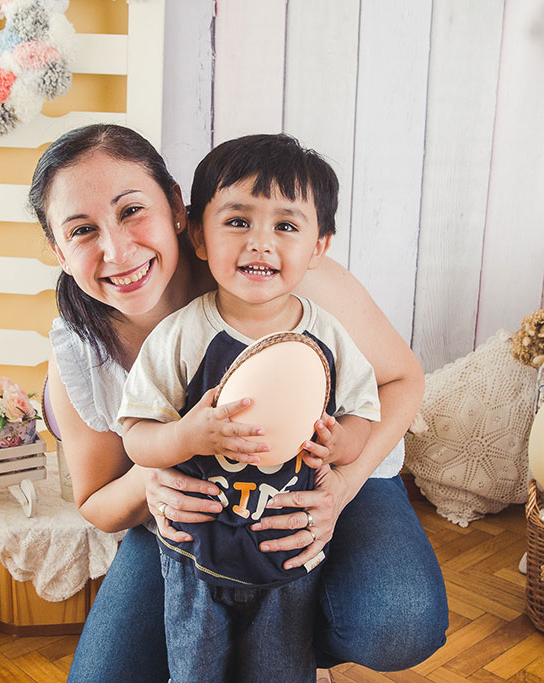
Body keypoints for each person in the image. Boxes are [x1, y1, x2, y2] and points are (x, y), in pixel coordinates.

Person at [32, 124, 447, 682]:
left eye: (132, 211)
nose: (117, 248)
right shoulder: (81, 350)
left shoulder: (271, 272)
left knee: (398, 619)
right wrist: (154, 476)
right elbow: (96, 503)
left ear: (178, 206)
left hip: (326, 476)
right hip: (193, 520)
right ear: (59, 250)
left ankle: (286, 647)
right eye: (82, 230)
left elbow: (404, 381)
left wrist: (340, 490)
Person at [118, 134, 381, 682]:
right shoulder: (182, 336)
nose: (261, 243)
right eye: (238, 222)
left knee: (280, 671)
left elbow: (363, 414)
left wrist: (342, 443)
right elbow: (136, 436)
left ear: (318, 247)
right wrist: (186, 437)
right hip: (195, 551)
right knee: (195, 672)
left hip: (287, 550)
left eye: (286, 226)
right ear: (198, 235)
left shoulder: (327, 335)